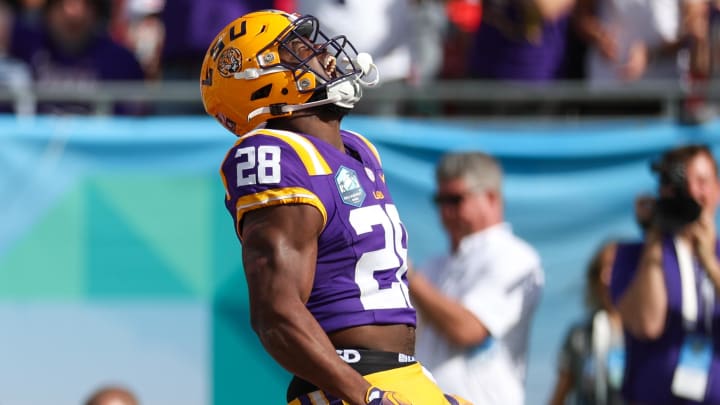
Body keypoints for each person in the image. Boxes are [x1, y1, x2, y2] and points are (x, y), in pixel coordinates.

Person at [200, 9, 472, 405]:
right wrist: (365, 395)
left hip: (403, 374)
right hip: (349, 384)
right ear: (259, 81)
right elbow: (275, 313)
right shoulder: (274, 155)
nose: (324, 55)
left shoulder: (360, 150)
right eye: (299, 49)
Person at [409, 151, 544, 405]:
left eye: (456, 199)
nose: (446, 211)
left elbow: (468, 330)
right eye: (440, 200)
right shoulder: (433, 267)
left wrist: (410, 277)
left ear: (491, 198)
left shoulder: (516, 257)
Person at [610, 144, 720, 404]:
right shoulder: (633, 255)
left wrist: (708, 261)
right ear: (664, 191)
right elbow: (647, 325)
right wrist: (654, 235)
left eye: (702, 181)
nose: (693, 192)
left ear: (717, 188)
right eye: (682, 184)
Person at [7, 0, 147, 114]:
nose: (73, 12)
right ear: (48, 12)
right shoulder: (25, 46)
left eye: (85, 4)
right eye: (62, 4)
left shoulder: (120, 60)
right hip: (34, 147)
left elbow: (134, 121)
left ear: (96, 12)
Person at [548, 240, 626, 405]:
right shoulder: (581, 335)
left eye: (613, 266)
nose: (605, 277)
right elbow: (560, 394)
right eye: (600, 270)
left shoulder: (648, 334)